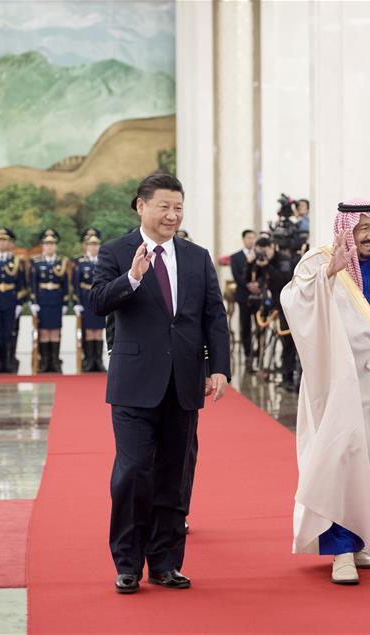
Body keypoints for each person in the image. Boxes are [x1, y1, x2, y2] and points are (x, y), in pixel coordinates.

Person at [89, 172, 230, 594]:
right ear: (141, 206)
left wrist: (218, 366)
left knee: (175, 473)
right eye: (164, 206)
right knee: (132, 472)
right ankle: (128, 563)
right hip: (134, 382)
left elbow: (213, 315)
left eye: (178, 207)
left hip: (184, 381)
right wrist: (131, 278)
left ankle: (166, 562)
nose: (172, 215)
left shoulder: (196, 256)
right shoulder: (116, 252)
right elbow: (97, 302)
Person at [280, 199, 370, 586]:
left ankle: (361, 541)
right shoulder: (319, 261)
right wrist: (327, 275)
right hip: (340, 385)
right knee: (340, 462)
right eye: (362, 228)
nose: (369, 236)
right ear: (345, 227)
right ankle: (340, 551)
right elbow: (293, 302)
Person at [252, 236, 298, 392]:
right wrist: (254, 265)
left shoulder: (283, 260)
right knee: (285, 343)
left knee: (289, 345)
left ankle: (289, 379)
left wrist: (267, 267)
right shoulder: (262, 261)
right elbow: (254, 279)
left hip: (289, 307)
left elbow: (284, 281)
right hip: (275, 306)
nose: (263, 255)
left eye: (265, 251)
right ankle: (285, 376)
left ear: (272, 247)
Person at [0, 227, 27, 374]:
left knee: (9, 332)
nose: (2, 244)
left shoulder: (16, 261)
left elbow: (21, 284)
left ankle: (8, 362)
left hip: (10, 300)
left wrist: (20, 303)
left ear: (10, 243)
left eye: (5, 240)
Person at [29, 229, 70, 373]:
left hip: (56, 301)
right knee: (44, 331)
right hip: (42, 301)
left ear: (56, 246)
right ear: (42, 246)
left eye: (52, 244)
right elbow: (33, 283)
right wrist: (33, 302)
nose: (49, 247)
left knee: (55, 331)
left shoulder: (62, 263)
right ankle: (45, 362)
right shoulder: (36, 263)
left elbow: (65, 284)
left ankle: (55, 361)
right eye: (46, 244)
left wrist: (65, 303)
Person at [73, 228, 107, 373]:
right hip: (86, 300)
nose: (94, 247)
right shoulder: (80, 262)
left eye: (96, 245)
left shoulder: (103, 261)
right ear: (86, 246)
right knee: (88, 332)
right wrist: (76, 302)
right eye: (90, 245)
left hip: (99, 300)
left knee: (98, 332)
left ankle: (98, 361)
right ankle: (88, 361)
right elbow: (75, 284)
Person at [230, 229, 258, 369]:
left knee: (259, 325)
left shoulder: (259, 255)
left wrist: (257, 285)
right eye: (249, 238)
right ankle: (248, 354)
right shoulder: (235, 257)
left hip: (258, 296)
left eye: (253, 237)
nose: (251, 240)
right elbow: (237, 276)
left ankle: (258, 353)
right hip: (243, 295)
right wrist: (248, 285)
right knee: (245, 325)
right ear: (243, 239)